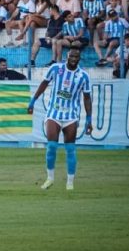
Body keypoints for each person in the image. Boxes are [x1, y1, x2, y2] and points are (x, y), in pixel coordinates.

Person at [28, 48, 92, 191]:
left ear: (79, 58)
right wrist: (33, 101)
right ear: (67, 56)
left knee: (70, 149)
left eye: (77, 57)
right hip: (54, 114)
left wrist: (89, 119)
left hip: (71, 116)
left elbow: (87, 98)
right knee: (51, 146)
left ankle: (70, 183)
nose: (74, 59)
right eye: (72, 56)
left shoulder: (83, 76)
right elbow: (44, 84)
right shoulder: (55, 68)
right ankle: (50, 178)